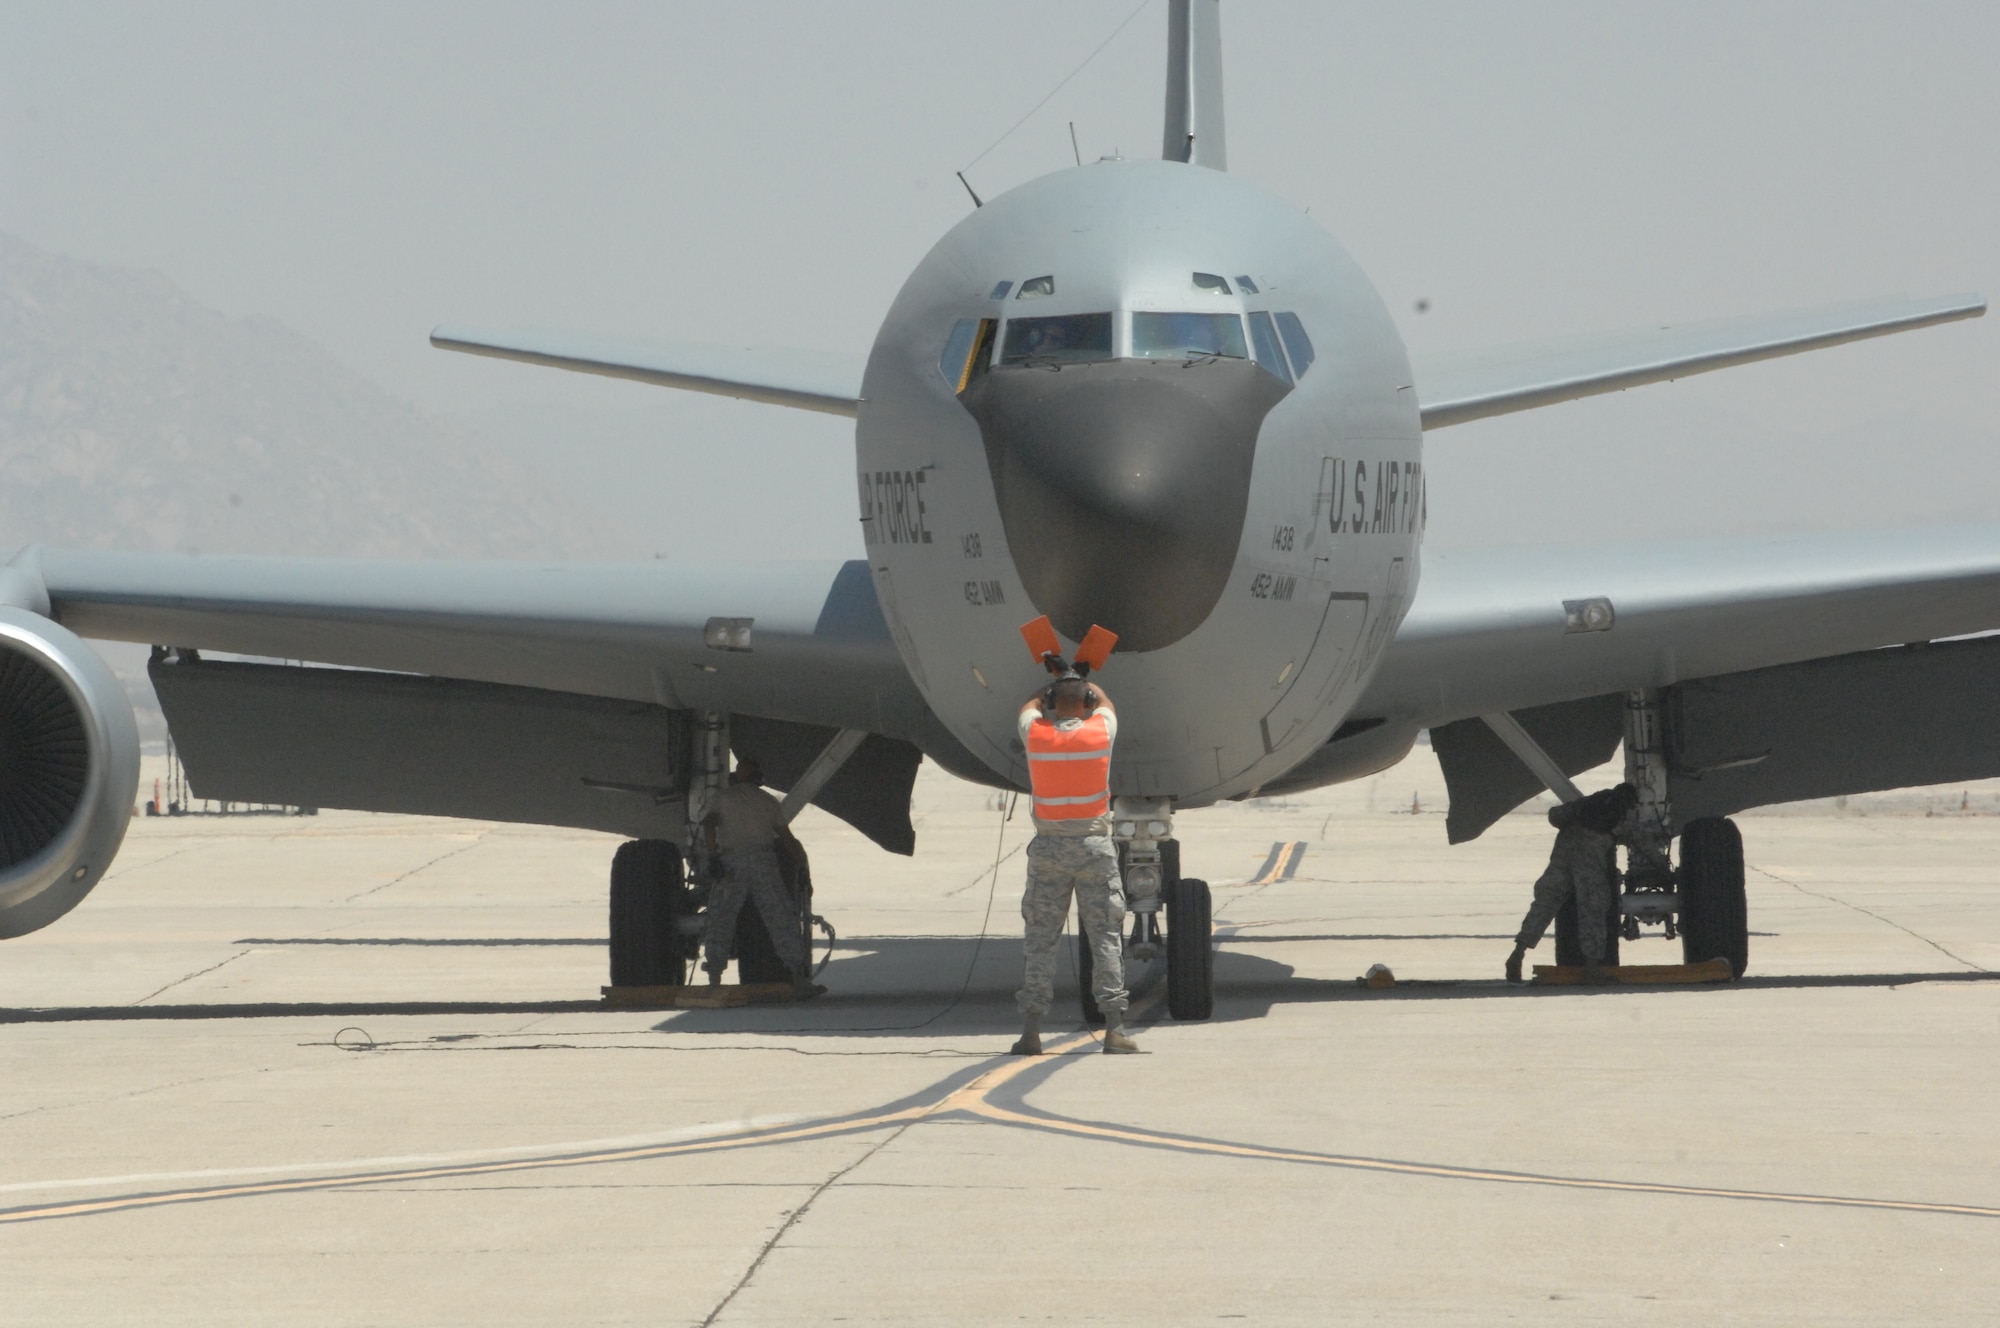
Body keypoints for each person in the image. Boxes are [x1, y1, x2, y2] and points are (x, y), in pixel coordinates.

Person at [1011, 671, 1144, 1055]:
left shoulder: (1035, 735)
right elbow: (1106, 703)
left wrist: (1047, 689)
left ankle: (1031, 1032)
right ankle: (1115, 1028)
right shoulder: (1099, 733)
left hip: (1050, 850)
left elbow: (1028, 707)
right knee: (1105, 939)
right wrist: (1087, 686)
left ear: (1053, 704)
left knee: (1040, 941)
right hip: (1094, 849)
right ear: (1085, 701)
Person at [700, 757, 814, 995]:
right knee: (780, 917)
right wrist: (802, 868)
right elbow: (787, 838)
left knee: (721, 918)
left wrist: (713, 857)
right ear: (758, 778)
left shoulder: (722, 798)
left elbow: (709, 825)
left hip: (732, 862)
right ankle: (797, 975)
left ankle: (714, 978)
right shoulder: (767, 800)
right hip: (764, 862)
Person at [1505, 783, 1640, 983]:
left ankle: (1518, 953)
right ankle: (1592, 969)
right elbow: (1641, 842)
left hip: (1562, 857)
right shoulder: (1622, 814)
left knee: (1543, 906)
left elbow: (1555, 816)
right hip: (1588, 865)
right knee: (1593, 910)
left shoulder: (1588, 803)